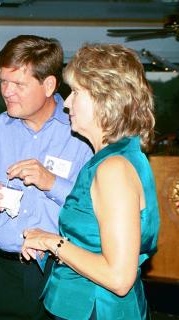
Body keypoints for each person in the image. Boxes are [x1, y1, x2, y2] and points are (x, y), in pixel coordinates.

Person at [0, 35, 93, 319]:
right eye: (3, 81)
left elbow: (97, 209)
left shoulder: (82, 134)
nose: (7, 91)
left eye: (18, 84)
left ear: (49, 85)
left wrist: (52, 182)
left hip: (66, 272)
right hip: (4, 275)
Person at [21, 43, 160, 319]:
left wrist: (52, 242)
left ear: (104, 97)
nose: (67, 103)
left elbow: (119, 279)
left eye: (75, 92)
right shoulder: (113, 158)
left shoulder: (114, 168)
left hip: (97, 310)